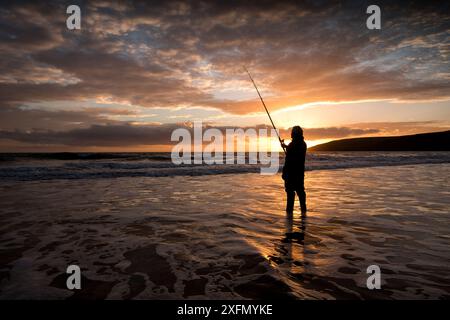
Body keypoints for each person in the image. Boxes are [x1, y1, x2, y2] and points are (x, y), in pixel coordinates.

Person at [281, 126, 307, 214]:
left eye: (292, 132)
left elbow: (290, 158)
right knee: (300, 193)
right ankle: (303, 213)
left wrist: (285, 147)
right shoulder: (303, 144)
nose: (291, 134)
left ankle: (289, 216)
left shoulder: (293, 145)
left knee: (290, 195)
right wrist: (285, 146)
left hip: (291, 174)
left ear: (294, 134)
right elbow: (293, 151)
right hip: (299, 173)